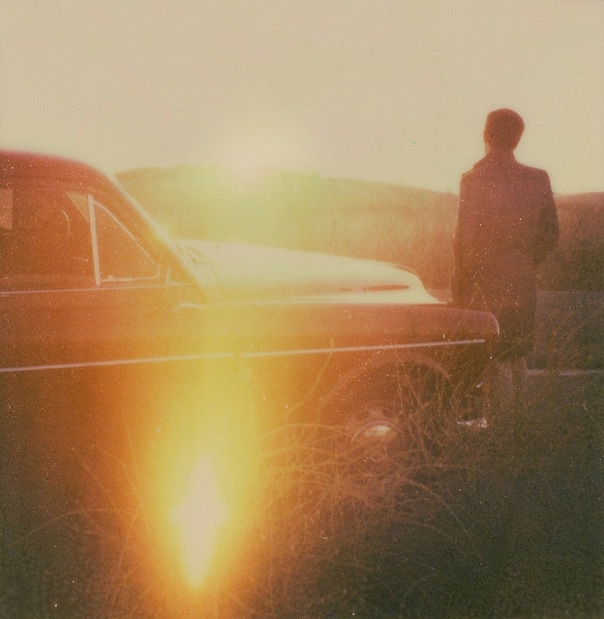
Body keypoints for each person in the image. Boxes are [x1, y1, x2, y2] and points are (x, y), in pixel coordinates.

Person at [451, 108, 559, 413]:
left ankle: (499, 432)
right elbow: (550, 234)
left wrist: (460, 288)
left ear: (486, 135)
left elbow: (462, 241)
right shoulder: (538, 179)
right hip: (521, 280)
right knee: (516, 354)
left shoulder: (472, 180)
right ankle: (518, 429)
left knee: (491, 357)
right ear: (518, 138)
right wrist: (524, 263)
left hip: (481, 283)